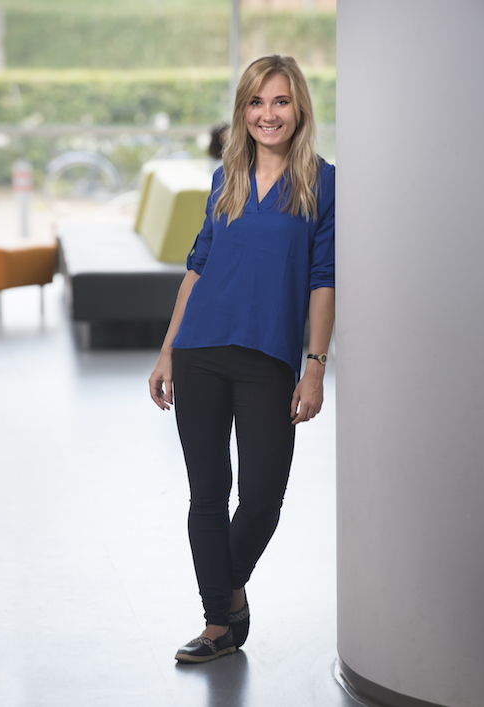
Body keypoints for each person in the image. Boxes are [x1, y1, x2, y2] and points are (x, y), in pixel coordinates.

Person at [149, 54, 335, 664]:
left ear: (299, 107)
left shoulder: (324, 184)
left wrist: (315, 366)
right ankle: (217, 625)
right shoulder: (225, 178)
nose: (267, 114)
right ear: (243, 111)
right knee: (207, 493)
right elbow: (197, 268)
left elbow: (324, 279)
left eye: (280, 101)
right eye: (256, 102)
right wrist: (167, 350)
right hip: (200, 349)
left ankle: (229, 593)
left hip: (269, 356)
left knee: (260, 497)